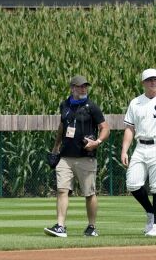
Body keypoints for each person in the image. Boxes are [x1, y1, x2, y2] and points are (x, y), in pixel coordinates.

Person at [45, 75, 110, 238]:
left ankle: (91, 226)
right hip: (65, 157)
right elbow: (62, 126)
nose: (83, 89)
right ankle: (60, 226)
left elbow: (105, 127)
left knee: (89, 193)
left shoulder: (91, 106)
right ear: (72, 88)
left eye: (85, 86)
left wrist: (98, 142)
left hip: (85, 157)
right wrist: (55, 147)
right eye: (80, 86)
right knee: (61, 190)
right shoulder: (64, 105)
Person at [121, 68, 156, 237]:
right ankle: (151, 212)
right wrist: (125, 150)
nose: (153, 82)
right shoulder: (135, 102)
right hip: (141, 145)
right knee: (132, 183)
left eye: (155, 79)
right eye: (149, 80)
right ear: (143, 83)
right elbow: (130, 128)